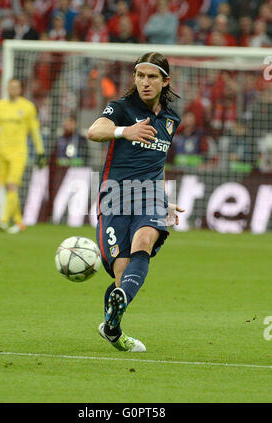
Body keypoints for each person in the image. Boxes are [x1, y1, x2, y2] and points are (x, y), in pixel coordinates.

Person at [88, 52, 184, 353]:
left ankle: (120, 303)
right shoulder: (121, 109)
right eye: (140, 75)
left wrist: (166, 200)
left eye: (152, 76)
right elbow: (94, 131)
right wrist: (124, 131)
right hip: (114, 196)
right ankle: (113, 326)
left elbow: (160, 162)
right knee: (122, 270)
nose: (144, 82)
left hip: (150, 196)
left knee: (144, 240)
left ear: (165, 81)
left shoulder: (171, 120)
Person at [0, 78, 46, 234]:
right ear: (7, 89)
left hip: (19, 152)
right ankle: (19, 222)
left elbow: (35, 131)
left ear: (20, 89)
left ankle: (3, 219)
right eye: (10, 87)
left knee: (11, 184)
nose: (13, 90)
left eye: (16, 87)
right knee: (8, 187)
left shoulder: (27, 107)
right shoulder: (0, 106)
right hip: (1, 151)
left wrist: (40, 151)